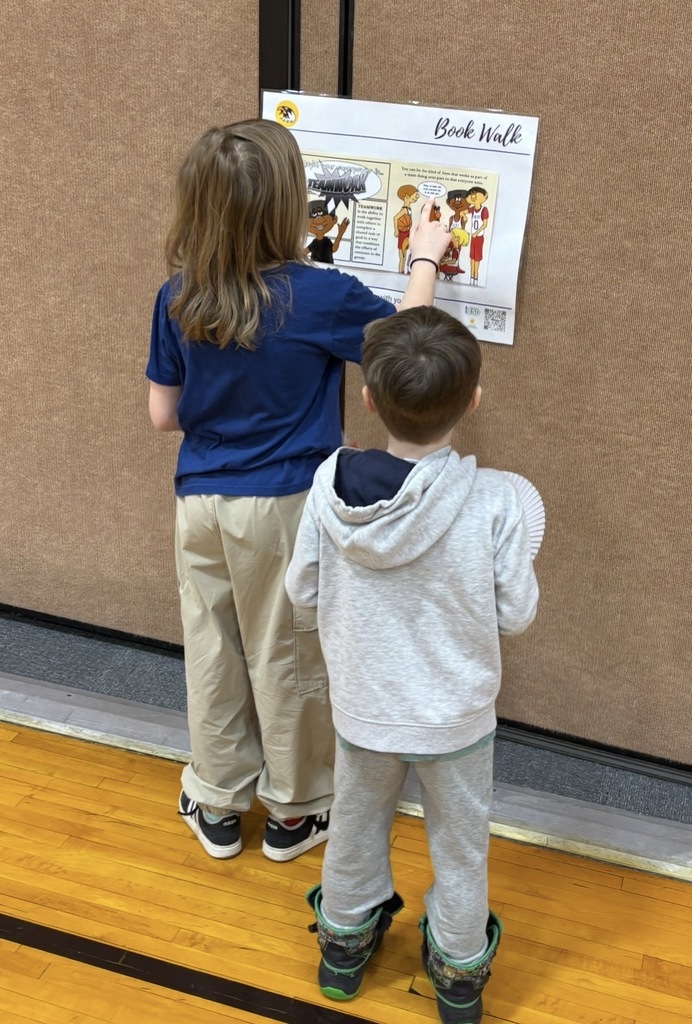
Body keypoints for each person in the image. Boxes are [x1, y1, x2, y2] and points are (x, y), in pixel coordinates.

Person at [145, 120, 449, 864]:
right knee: (284, 654)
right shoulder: (321, 297)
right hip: (283, 507)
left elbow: (163, 415)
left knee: (212, 649)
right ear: (290, 205)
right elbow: (406, 347)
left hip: (201, 505)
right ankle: (297, 809)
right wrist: (424, 258)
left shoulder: (179, 293)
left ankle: (216, 800)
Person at [285, 305, 539, 1020]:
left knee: (356, 828)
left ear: (367, 397)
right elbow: (516, 613)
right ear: (474, 400)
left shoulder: (329, 483)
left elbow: (301, 590)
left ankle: (341, 954)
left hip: (364, 709)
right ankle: (458, 984)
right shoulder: (496, 502)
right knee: (461, 851)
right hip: (457, 723)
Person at [306, 200, 349, 264]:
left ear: (334, 219)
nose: (317, 220)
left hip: (328, 268)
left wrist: (340, 234)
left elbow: (334, 249)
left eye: (322, 214)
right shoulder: (314, 242)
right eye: (313, 215)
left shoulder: (327, 241)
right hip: (315, 269)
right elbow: (305, 251)